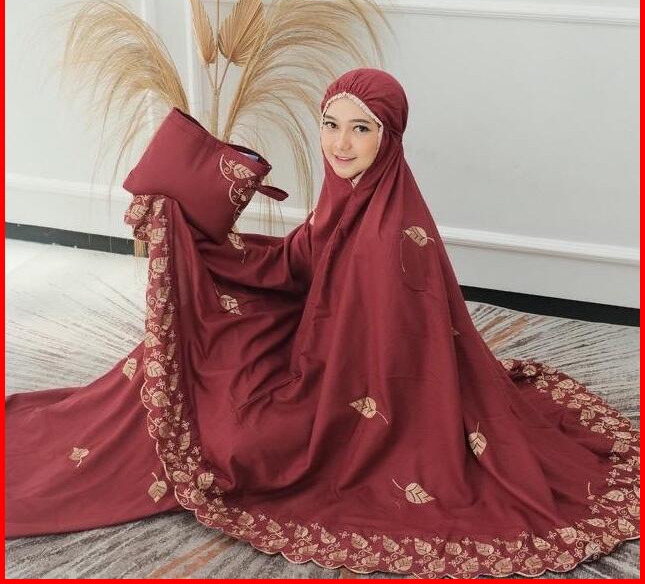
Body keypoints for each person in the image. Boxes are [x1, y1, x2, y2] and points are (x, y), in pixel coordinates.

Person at [6, 68, 639, 578]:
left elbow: (387, 362)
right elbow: (295, 263)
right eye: (330, 125)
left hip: (353, 387)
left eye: (360, 129)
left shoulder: (393, 238)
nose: (340, 144)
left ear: (389, 137)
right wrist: (195, 241)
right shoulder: (350, 195)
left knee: (232, 441)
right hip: (320, 344)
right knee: (194, 359)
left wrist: (298, 384)